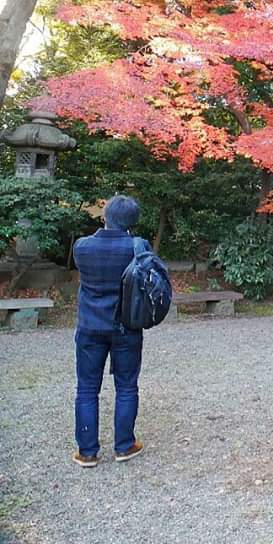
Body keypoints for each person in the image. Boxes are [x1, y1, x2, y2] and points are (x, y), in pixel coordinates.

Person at [72, 195, 146, 467]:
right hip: (126, 326)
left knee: (87, 388)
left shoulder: (82, 247)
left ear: (105, 216)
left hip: (90, 326)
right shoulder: (137, 247)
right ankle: (124, 446)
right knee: (126, 386)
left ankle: (87, 451)